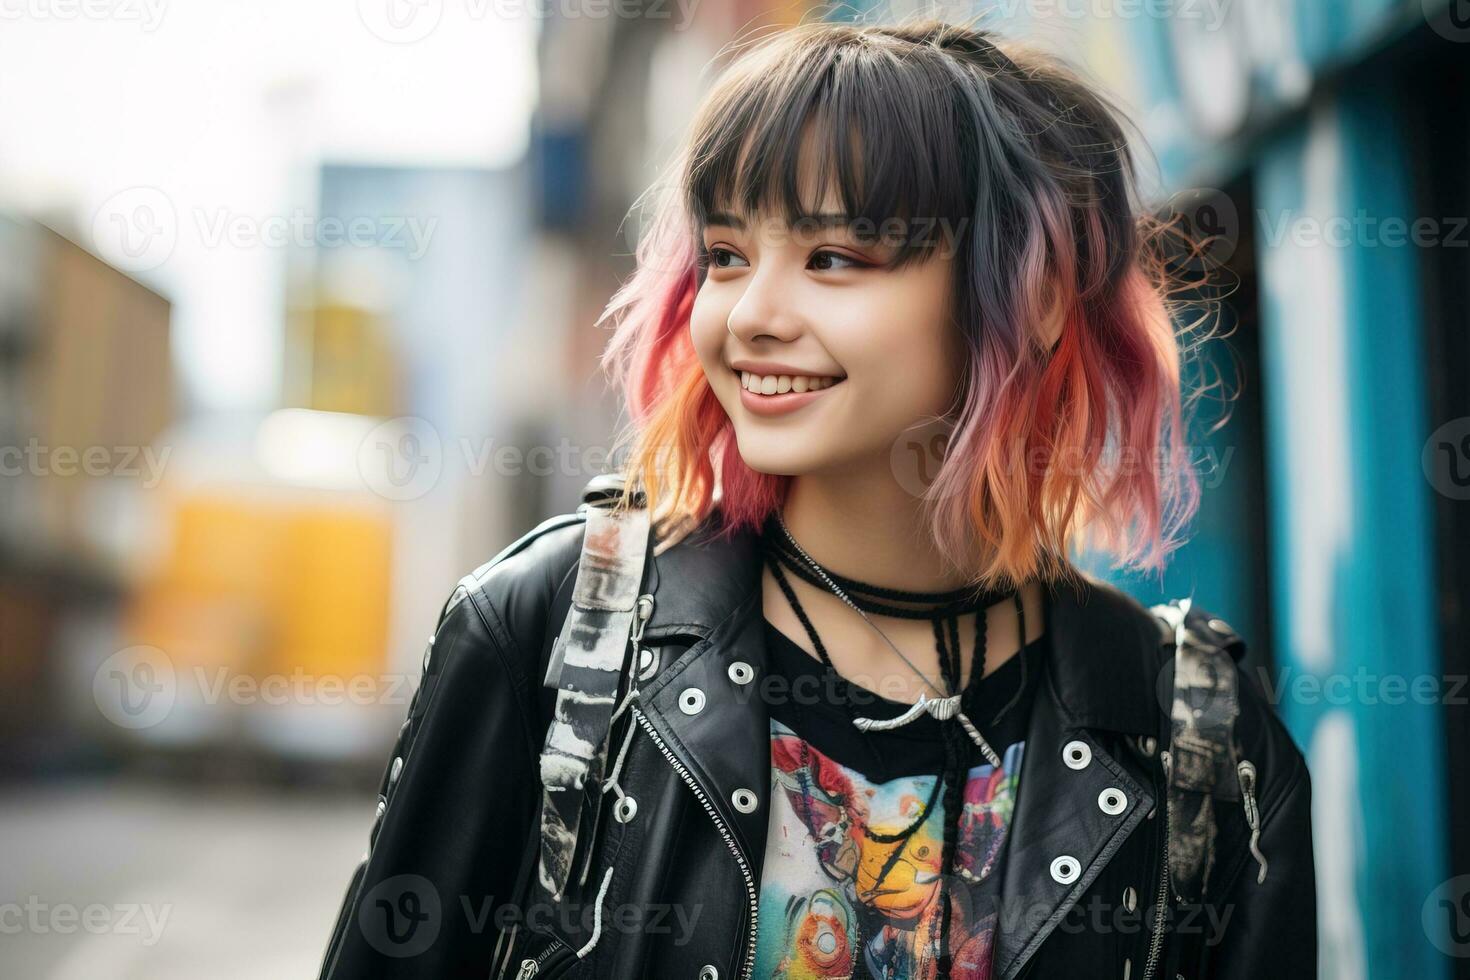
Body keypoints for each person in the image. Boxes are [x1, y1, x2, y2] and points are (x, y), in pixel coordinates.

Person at [317, 18, 1316, 980]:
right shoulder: (554, 635)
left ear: (1037, 294)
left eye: (833, 258)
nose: (751, 315)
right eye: (726, 254)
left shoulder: (1198, 738)